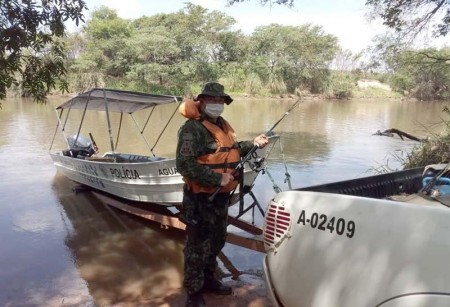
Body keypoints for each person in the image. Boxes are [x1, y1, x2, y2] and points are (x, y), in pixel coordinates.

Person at [176, 82, 269, 307]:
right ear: (202, 101)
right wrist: (217, 179)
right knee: (197, 245)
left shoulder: (222, 125)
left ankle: (209, 280)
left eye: (220, 101)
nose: (217, 104)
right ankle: (193, 292)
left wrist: (254, 144)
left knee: (217, 240)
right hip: (200, 199)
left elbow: (232, 149)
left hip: (220, 199)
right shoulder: (192, 129)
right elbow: (184, 164)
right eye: (212, 100)